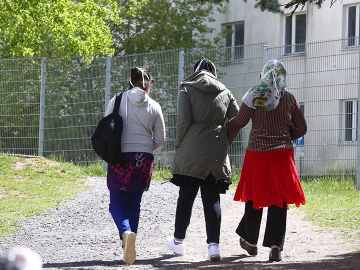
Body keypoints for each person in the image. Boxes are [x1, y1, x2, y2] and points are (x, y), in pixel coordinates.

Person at [225, 59, 307, 261]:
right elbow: (302, 129)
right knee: (279, 200)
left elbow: (239, 122)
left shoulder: (254, 94)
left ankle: (251, 243)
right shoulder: (289, 98)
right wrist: (286, 137)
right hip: (282, 156)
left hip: (258, 155)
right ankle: (275, 247)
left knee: (254, 196)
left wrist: (222, 126)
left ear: (263, 75)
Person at [166, 58, 239, 261]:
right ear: (214, 72)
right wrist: (225, 142)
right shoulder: (226, 92)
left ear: (195, 71)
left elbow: (183, 121)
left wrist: (179, 145)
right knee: (212, 199)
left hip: (191, 150)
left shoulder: (187, 89)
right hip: (216, 150)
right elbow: (237, 121)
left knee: (186, 198)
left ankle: (178, 243)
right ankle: (213, 247)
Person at [105, 67, 165, 265]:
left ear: (130, 82)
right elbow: (161, 138)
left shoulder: (117, 100)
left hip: (120, 156)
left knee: (116, 202)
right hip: (144, 158)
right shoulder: (155, 106)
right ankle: (129, 244)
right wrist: (146, 148)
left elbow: (107, 128)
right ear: (148, 85)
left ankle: (125, 233)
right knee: (134, 203)